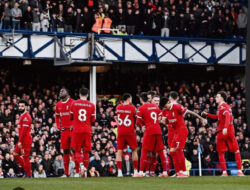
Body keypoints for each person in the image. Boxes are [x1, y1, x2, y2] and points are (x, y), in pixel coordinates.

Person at [161, 92, 207, 178]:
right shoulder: (165, 110)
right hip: (175, 132)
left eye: (168, 102)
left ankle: (184, 172)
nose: (169, 103)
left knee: (179, 150)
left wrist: (201, 118)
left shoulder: (177, 107)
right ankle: (178, 172)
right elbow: (164, 121)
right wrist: (162, 120)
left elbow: (190, 112)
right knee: (172, 151)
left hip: (182, 130)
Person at [202, 91, 245, 177]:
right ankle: (239, 171)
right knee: (236, 151)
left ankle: (224, 172)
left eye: (217, 97)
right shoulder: (224, 106)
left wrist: (225, 127)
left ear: (222, 98)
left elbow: (228, 117)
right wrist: (207, 114)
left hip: (224, 130)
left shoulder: (222, 106)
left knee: (221, 152)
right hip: (227, 130)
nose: (216, 98)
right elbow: (218, 117)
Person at [136, 92, 168, 177]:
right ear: (149, 99)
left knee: (144, 151)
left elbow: (137, 122)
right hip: (158, 130)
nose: (157, 102)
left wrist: (142, 125)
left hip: (149, 131)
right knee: (160, 151)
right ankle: (164, 172)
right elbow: (161, 119)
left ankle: (141, 172)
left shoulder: (141, 108)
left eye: (158, 100)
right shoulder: (156, 107)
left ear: (141, 99)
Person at [70, 88, 95, 177]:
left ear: (79, 94)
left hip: (77, 130)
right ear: (87, 95)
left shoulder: (73, 103)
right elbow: (93, 120)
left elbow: (71, 116)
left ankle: (80, 166)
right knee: (86, 151)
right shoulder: (92, 105)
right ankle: (85, 172)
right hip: (87, 130)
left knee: (76, 150)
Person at [115, 93, 138, 177]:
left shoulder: (118, 107)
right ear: (129, 99)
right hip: (130, 132)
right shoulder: (132, 108)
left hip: (120, 132)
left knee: (119, 151)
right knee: (134, 150)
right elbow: (137, 116)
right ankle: (135, 171)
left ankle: (119, 172)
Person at [55, 88, 74, 177]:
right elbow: (57, 117)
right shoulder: (58, 105)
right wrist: (59, 127)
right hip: (64, 131)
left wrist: (74, 124)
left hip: (72, 130)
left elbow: (77, 115)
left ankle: (78, 171)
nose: (60, 92)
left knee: (74, 150)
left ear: (67, 93)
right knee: (65, 152)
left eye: (62, 91)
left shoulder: (73, 102)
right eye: (60, 91)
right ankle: (66, 173)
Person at [13, 100, 32, 178]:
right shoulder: (22, 115)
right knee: (15, 154)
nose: (20, 107)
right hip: (21, 140)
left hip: (25, 140)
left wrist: (20, 141)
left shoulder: (26, 116)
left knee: (25, 157)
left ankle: (29, 175)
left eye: (22, 106)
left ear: (26, 107)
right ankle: (26, 171)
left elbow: (24, 131)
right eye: (19, 106)